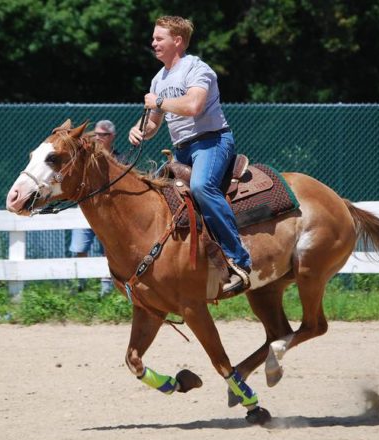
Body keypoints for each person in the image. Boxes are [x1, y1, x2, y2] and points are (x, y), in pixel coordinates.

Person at [128, 15, 251, 294]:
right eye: (154, 38)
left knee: (201, 187)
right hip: (182, 149)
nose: (153, 43)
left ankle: (239, 261)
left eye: (159, 38)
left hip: (212, 142)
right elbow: (153, 123)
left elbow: (194, 105)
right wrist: (138, 130)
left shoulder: (197, 68)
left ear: (178, 41)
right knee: (155, 194)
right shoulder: (158, 79)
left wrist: (158, 101)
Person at [70, 120, 122, 296]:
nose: (100, 137)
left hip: (108, 214)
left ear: (112, 137)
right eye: (98, 134)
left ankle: (105, 290)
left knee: (107, 250)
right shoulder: (87, 157)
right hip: (85, 212)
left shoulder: (119, 160)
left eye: (104, 135)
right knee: (79, 248)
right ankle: (80, 287)